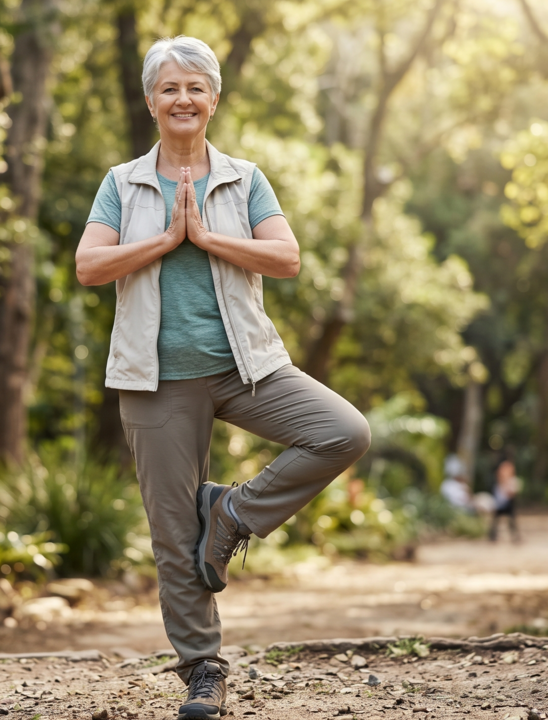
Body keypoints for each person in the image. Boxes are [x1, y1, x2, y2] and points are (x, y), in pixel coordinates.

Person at [75, 36, 372, 720]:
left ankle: (233, 512)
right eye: (169, 88)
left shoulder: (243, 177)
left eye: (195, 87)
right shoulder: (124, 182)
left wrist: (208, 237)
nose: (183, 99)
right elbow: (90, 267)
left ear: (214, 99)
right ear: (152, 102)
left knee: (342, 431)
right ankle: (202, 670)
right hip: (155, 380)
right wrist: (164, 240)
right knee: (174, 533)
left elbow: (287, 256)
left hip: (247, 367)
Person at [488, 454, 521, 542]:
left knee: (499, 516)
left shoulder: (501, 467)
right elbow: (505, 479)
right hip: (505, 492)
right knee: (509, 516)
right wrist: (509, 490)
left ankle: (493, 535)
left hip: (501, 492)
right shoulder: (508, 466)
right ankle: (513, 536)